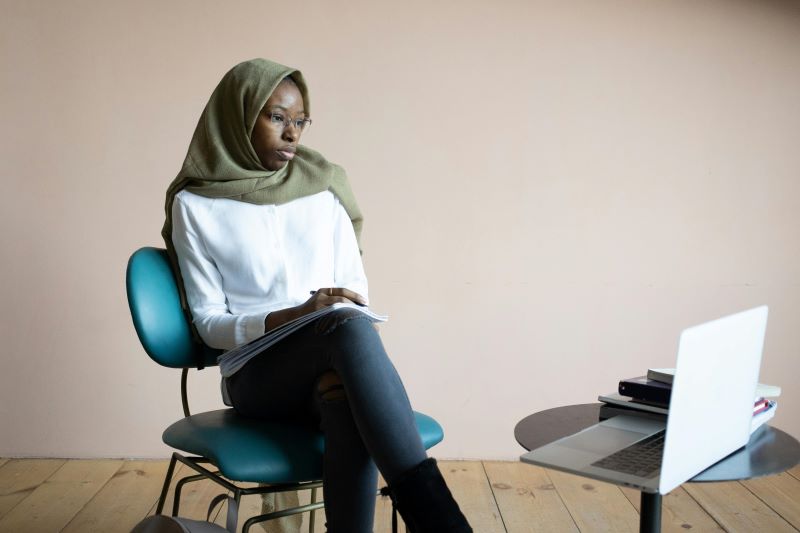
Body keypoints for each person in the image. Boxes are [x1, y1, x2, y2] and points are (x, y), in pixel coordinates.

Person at [162, 58, 472, 533]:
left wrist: (331, 310)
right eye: (277, 118)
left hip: (335, 357)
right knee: (344, 330)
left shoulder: (325, 188)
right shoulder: (195, 204)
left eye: (301, 121)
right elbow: (208, 323)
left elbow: (354, 289)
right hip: (258, 376)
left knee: (342, 390)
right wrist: (294, 315)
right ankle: (442, 524)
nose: (292, 134)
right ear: (237, 116)